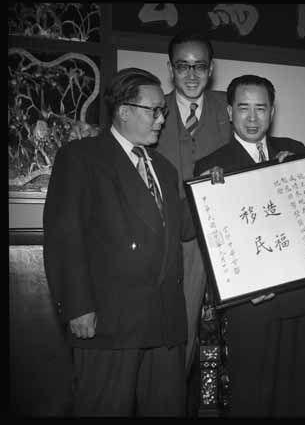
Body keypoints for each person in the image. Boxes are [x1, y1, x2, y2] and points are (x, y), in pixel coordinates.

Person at [43, 67, 195, 416]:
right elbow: (65, 236)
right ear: (124, 110)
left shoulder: (164, 168)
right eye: (154, 110)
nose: (161, 119)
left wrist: (220, 191)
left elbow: (182, 228)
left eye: (163, 111)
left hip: (165, 321)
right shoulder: (82, 157)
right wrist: (78, 305)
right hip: (109, 320)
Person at [194, 74, 305, 417]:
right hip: (250, 303)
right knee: (251, 394)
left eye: (261, 108)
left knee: (296, 395)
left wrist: (297, 176)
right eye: (244, 108)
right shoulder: (211, 166)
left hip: (297, 295)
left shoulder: (294, 151)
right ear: (229, 112)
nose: (253, 118)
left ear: (272, 111)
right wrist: (238, 288)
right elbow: (214, 241)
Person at [154, 33, 232, 414]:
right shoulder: (152, 108)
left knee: (236, 338)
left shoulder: (229, 107)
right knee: (176, 339)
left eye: (199, 66)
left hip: (229, 236)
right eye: (182, 66)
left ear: (211, 69)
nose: (191, 74)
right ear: (170, 69)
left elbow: (258, 143)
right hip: (175, 243)